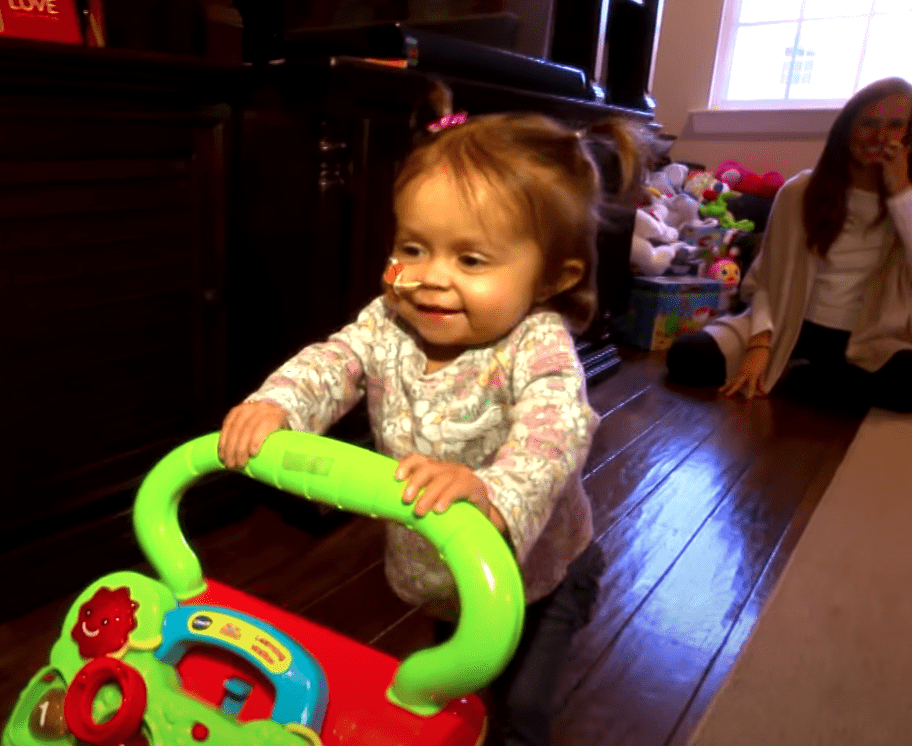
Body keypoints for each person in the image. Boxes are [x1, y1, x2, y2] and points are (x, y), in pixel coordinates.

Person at [218, 112, 640, 745]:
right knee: (446, 693)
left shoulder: (537, 343)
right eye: (412, 248)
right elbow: (335, 361)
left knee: (520, 709)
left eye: (470, 259)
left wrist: (494, 492)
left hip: (539, 575)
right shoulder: (387, 320)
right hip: (441, 571)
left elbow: (556, 432)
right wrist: (276, 405)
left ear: (554, 276)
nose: (430, 277)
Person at [666, 77, 912, 414]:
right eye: (869, 123)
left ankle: (809, 379)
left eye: (894, 125)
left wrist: (901, 194)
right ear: (847, 128)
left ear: (908, 132)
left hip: (868, 337)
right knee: (688, 358)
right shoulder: (800, 190)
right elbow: (768, 280)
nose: (880, 137)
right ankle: (811, 375)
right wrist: (759, 345)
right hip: (791, 323)